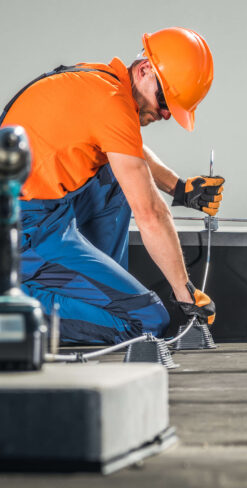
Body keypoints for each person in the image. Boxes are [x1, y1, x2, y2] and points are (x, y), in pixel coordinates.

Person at [0, 27, 223, 343]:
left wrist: (181, 188)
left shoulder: (99, 83)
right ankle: (15, 307)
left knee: (114, 178)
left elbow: (126, 148)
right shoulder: (111, 104)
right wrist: (184, 292)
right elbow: (150, 214)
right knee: (146, 322)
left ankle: (99, 292)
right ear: (145, 70)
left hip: (44, 209)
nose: (165, 114)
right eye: (165, 101)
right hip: (25, 228)